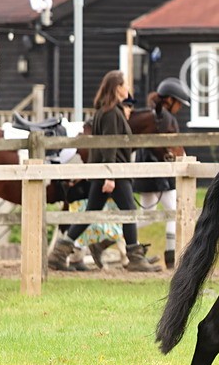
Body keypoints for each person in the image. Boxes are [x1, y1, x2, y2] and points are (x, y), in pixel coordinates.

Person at [48, 71, 160, 272]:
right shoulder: (110, 113)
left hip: (106, 171)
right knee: (129, 213)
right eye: (125, 85)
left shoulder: (106, 111)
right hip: (113, 171)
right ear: (117, 87)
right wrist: (110, 175)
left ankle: (58, 253)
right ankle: (135, 259)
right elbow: (109, 146)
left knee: (90, 214)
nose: (128, 89)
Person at [133, 77, 190, 269]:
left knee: (147, 214)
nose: (180, 108)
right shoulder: (162, 117)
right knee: (174, 211)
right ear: (169, 100)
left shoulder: (156, 114)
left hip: (149, 172)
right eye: (179, 103)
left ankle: (112, 234)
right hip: (158, 174)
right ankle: (171, 257)